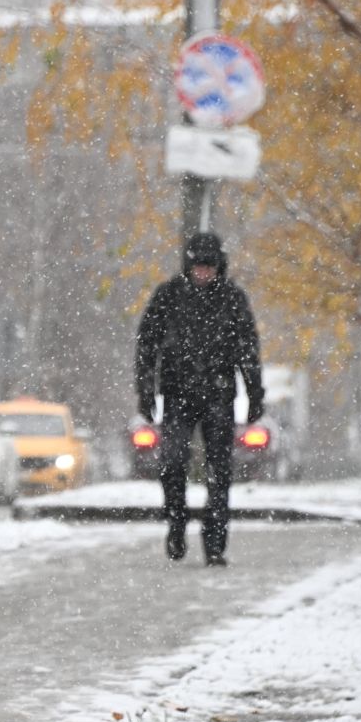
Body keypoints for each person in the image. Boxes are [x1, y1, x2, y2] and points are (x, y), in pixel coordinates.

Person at [134, 232, 265, 567]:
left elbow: (248, 350)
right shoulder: (169, 296)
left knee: (220, 472)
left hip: (219, 395)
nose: (203, 273)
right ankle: (176, 521)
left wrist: (254, 395)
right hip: (178, 394)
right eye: (198, 267)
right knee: (172, 463)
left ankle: (215, 542)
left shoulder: (232, 299)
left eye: (209, 267)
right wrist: (146, 391)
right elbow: (147, 346)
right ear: (188, 266)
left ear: (218, 267)